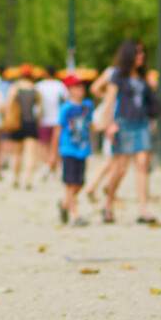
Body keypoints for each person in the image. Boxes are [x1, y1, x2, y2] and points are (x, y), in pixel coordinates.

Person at [92, 39, 161, 225]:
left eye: (143, 53)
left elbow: (148, 101)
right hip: (122, 124)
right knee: (119, 169)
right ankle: (108, 203)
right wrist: (108, 124)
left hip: (141, 123)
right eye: (138, 53)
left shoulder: (143, 77)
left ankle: (143, 208)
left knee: (142, 164)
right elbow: (110, 100)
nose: (141, 56)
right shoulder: (117, 76)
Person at [56, 73, 94, 225]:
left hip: (83, 149)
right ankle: (75, 215)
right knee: (70, 183)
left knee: (79, 183)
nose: (81, 89)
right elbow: (58, 129)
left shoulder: (87, 106)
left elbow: (90, 125)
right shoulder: (65, 108)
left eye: (82, 86)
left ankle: (64, 204)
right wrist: (54, 152)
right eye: (77, 86)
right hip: (68, 149)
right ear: (69, 89)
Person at [35, 65, 67, 179]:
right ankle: (54, 168)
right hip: (58, 119)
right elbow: (65, 101)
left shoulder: (39, 86)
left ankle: (47, 166)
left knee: (44, 145)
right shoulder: (60, 86)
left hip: (44, 120)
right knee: (57, 146)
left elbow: (36, 104)